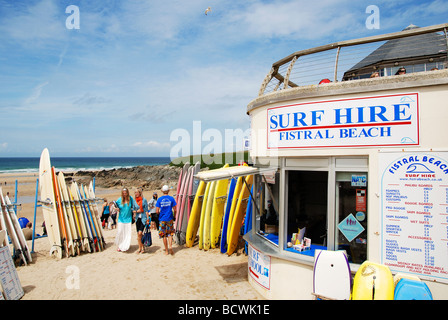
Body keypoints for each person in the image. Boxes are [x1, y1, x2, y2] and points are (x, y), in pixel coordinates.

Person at [114, 188, 137, 252]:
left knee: (127, 233)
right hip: (121, 219)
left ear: (127, 192)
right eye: (123, 193)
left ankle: (126, 245)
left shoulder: (131, 198)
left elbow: (134, 206)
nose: (124, 194)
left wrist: (134, 214)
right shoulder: (119, 199)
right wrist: (116, 209)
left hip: (128, 218)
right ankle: (120, 246)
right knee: (120, 232)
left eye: (125, 193)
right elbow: (114, 206)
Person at [156, 185, 177, 255]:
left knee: (163, 235)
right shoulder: (171, 198)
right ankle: (170, 246)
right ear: (168, 191)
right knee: (170, 233)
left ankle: (167, 250)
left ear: (162, 191)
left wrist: (159, 214)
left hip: (162, 219)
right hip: (169, 218)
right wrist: (174, 216)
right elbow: (175, 209)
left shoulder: (159, 199)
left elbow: (157, 211)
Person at [134, 188, 149, 254]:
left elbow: (146, 210)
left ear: (140, 193)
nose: (136, 194)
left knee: (140, 233)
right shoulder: (134, 201)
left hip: (143, 218)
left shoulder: (144, 200)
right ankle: (141, 248)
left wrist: (148, 219)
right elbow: (132, 210)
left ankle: (141, 247)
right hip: (137, 219)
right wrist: (137, 211)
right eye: (135, 193)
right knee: (138, 234)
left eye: (137, 192)